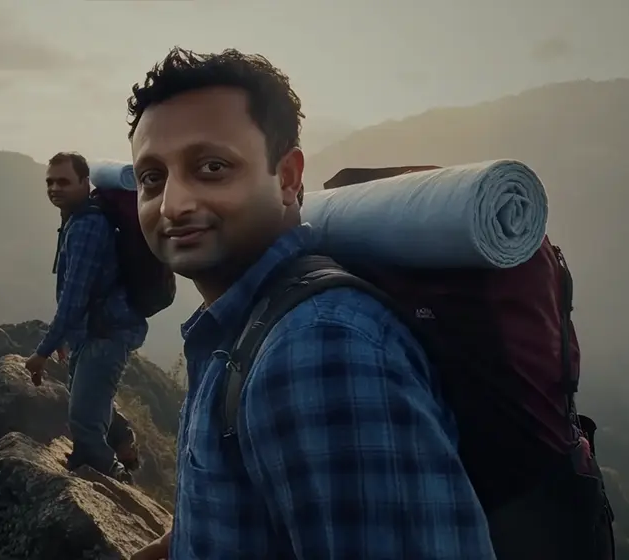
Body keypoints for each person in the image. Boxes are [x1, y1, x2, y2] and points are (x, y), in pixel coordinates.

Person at [128, 48, 496, 559]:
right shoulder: (244, 327)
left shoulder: (318, 350)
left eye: (212, 167)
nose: (172, 204)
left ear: (288, 178)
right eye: (152, 178)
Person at [25, 151, 145, 483]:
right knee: (86, 395)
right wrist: (66, 336)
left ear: (84, 182)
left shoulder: (87, 226)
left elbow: (73, 297)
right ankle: (122, 440)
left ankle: (115, 481)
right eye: (49, 181)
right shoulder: (77, 219)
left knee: (84, 427)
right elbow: (77, 291)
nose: (54, 188)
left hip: (105, 334)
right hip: (94, 330)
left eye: (63, 181)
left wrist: (43, 351)